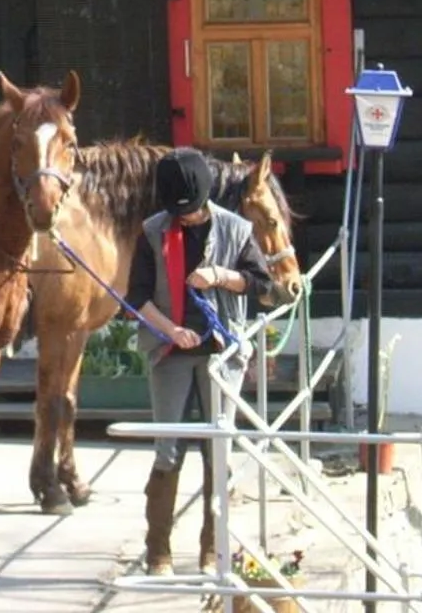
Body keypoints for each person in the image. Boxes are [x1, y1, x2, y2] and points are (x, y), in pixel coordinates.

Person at [126, 146, 272, 577]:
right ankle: (158, 552)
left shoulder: (237, 229)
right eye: (177, 212)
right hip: (170, 353)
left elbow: (263, 286)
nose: (184, 217)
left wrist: (220, 276)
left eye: (190, 211)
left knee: (217, 452)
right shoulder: (152, 231)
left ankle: (213, 549)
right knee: (167, 452)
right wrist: (170, 330)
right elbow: (136, 297)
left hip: (220, 355)